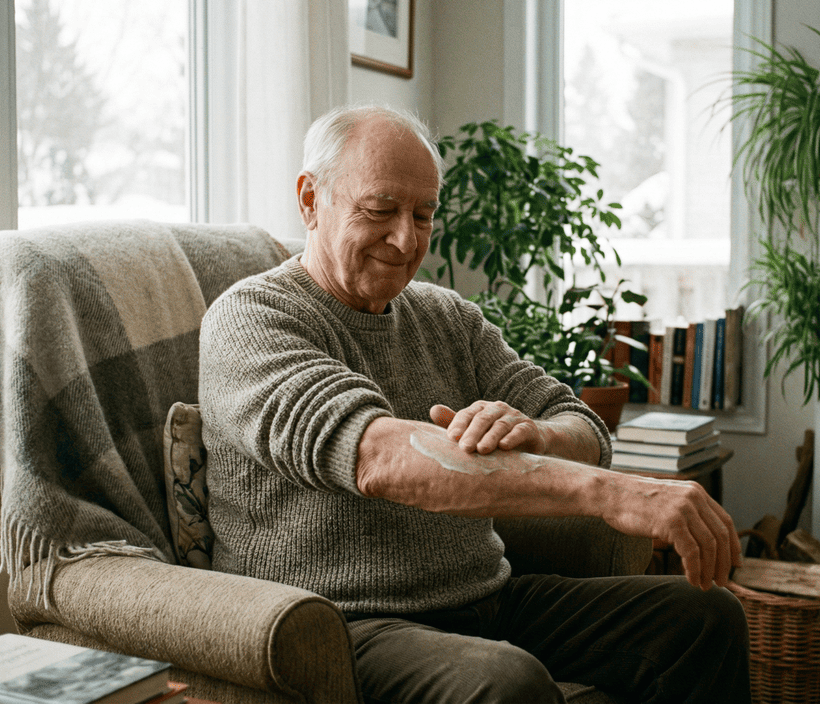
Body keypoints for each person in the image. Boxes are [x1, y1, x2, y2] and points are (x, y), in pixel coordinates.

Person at [199, 104, 750, 703]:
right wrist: (611, 492)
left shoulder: (446, 318)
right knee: (506, 684)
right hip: (343, 623)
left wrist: (540, 434)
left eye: (424, 214)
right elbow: (376, 459)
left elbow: (587, 427)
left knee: (704, 618)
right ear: (311, 199)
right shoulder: (251, 319)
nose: (406, 238)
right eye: (380, 210)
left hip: (487, 598)